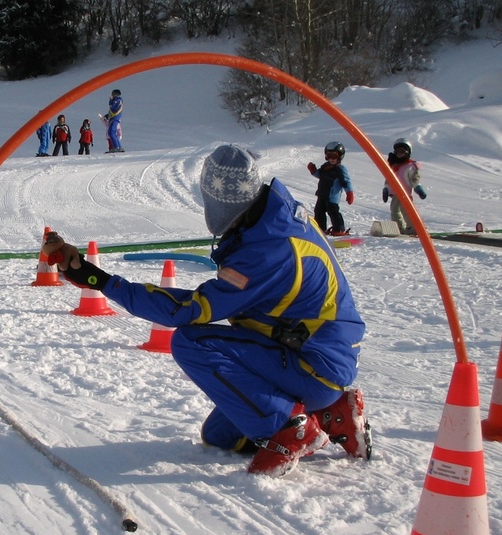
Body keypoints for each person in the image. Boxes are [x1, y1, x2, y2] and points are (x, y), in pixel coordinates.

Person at [43, 144, 371, 477]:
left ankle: (292, 430)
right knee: (220, 436)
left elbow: (187, 310)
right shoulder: (276, 217)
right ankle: (331, 411)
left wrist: (101, 280)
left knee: (190, 342)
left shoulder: (266, 252)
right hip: (314, 354)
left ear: (221, 201)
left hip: (312, 363)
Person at [307, 141, 354, 236]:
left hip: (332, 196)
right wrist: (313, 171)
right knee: (318, 211)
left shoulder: (340, 169)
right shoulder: (326, 167)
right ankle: (320, 228)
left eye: (334, 156)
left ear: (340, 156)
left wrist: (349, 193)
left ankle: (339, 229)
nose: (331, 159)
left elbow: (346, 182)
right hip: (322, 194)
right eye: (329, 156)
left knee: (333, 212)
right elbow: (320, 175)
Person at [382, 138, 427, 235]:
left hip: (405, 193)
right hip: (395, 193)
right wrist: (386, 189)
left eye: (402, 152)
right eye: (397, 152)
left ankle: (412, 227)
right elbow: (389, 179)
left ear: (407, 153)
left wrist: (418, 188)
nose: (399, 154)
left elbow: (414, 178)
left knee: (406, 210)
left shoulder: (410, 166)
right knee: (394, 210)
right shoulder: (393, 166)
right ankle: (398, 227)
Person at [104, 89, 124, 153]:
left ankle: (116, 147)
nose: (112, 95)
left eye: (113, 93)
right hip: (113, 118)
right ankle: (118, 146)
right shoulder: (115, 100)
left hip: (115, 118)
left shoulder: (118, 100)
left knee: (111, 132)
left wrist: (111, 101)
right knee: (111, 132)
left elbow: (112, 108)